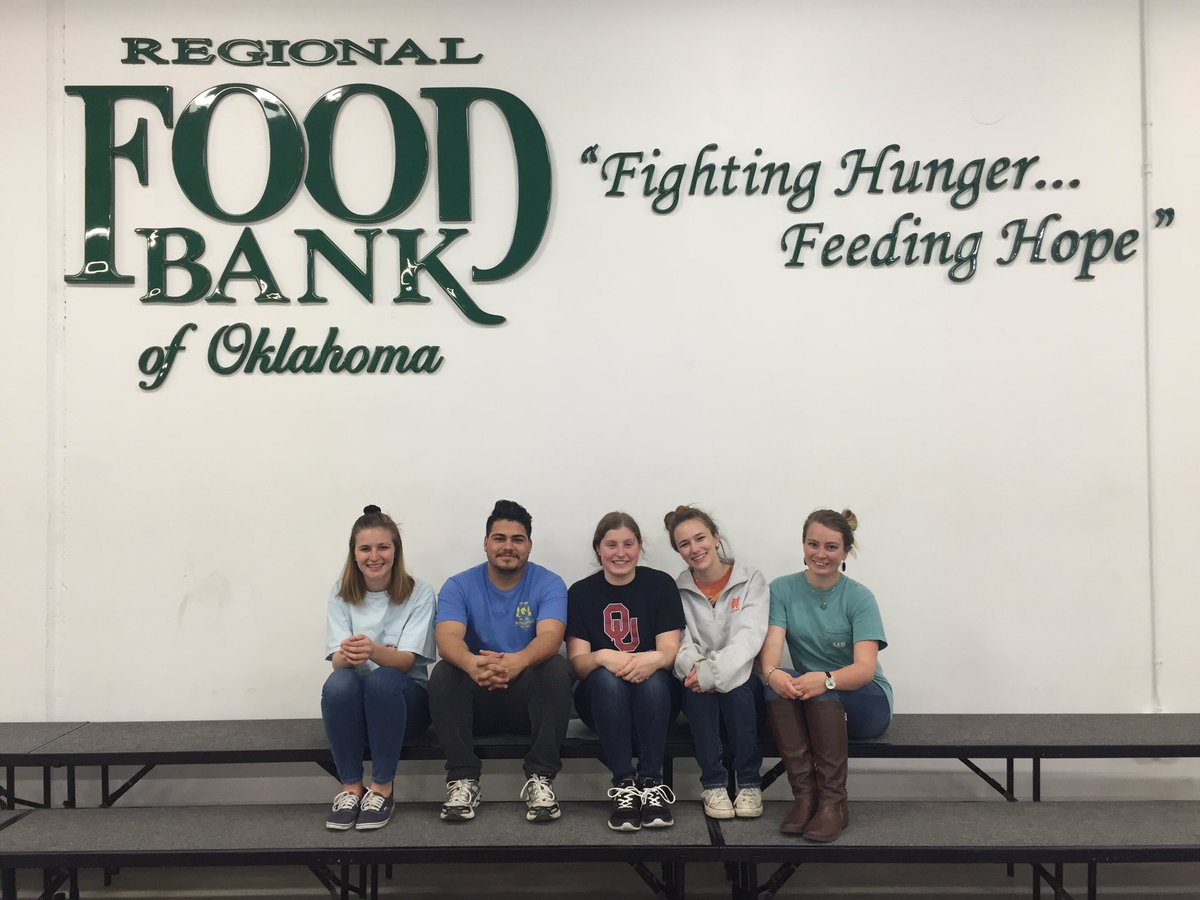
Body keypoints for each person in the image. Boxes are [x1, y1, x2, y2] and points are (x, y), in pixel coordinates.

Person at [428, 499, 573, 823]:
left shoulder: (549, 583)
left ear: (529, 545)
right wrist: (471, 664)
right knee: (444, 673)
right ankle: (463, 780)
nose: (508, 546)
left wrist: (518, 661)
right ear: (486, 543)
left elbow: (551, 636)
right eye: (499, 538)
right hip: (477, 702)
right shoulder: (458, 585)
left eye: (517, 539)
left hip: (526, 706)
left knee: (555, 667)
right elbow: (447, 638)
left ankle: (541, 779)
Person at [759, 508, 892, 842]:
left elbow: (864, 669)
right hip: (814, 697)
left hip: (865, 699)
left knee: (822, 694)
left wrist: (826, 679)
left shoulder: (860, 597)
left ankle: (834, 803)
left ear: (845, 552)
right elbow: (771, 653)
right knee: (778, 685)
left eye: (831, 547)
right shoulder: (782, 589)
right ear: (803, 545)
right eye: (813, 544)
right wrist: (772, 674)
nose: (821, 554)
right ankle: (805, 798)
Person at [567, 512, 684, 831]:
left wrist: (651, 660)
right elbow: (578, 664)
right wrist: (604, 656)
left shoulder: (660, 584)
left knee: (654, 680)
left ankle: (651, 784)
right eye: (611, 545)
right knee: (606, 680)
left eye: (628, 544)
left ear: (639, 546)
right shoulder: (580, 592)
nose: (620, 553)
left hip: (656, 701)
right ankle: (623, 785)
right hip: (599, 702)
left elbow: (670, 652)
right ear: (598, 549)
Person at [321, 505, 436, 831]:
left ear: (395, 551)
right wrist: (362, 653)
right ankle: (351, 788)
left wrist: (371, 650)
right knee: (339, 684)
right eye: (365, 549)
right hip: (360, 706)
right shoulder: (340, 593)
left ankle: (383, 788)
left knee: (383, 680)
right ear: (354, 554)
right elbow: (337, 661)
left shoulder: (419, 593)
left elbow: (407, 661)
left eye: (383, 547)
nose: (374, 556)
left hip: (406, 704)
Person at [664, 505, 769, 820]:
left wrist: (714, 673)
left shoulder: (751, 580)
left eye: (700, 538)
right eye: (685, 544)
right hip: (695, 679)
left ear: (715, 536)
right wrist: (700, 672)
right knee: (697, 692)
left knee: (738, 690)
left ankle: (749, 783)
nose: (695, 549)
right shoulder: (675, 590)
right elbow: (679, 643)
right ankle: (713, 785)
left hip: (742, 679)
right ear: (678, 550)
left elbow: (750, 637)